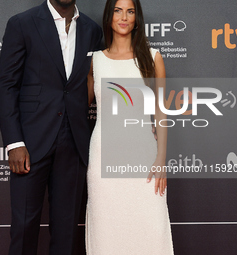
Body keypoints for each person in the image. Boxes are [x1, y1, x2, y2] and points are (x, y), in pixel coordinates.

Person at [0, 0, 102, 254]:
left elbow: (92, 81)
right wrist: (15, 143)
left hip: (75, 141)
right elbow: (7, 87)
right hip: (30, 142)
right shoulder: (22, 24)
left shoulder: (91, 30)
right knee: (24, 227)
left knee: (66, 231)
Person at [85, 0, 174, 254]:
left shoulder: (153, 57)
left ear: (137, 18)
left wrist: (161, 158)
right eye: (117, 10)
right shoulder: (95, 61)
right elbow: (76, 107)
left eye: (130, 11)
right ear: (109, 16)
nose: (124, 17)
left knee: (150, 230)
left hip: (144, 159)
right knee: (107, 233)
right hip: (103, 158)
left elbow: (161, 112)